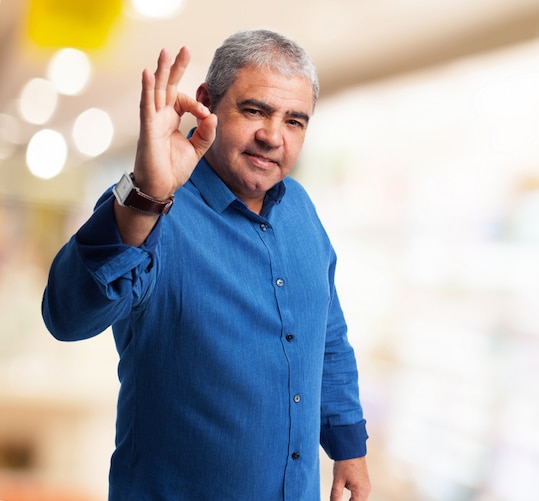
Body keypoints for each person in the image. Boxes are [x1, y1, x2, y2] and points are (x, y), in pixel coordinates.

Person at [42, 29, 370, 500]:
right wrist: (146, 197)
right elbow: (67, 317)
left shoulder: (300, 209)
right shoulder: (151, 208)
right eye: (255, 110)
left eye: (294, 121)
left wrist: (347, 446)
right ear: (205, 103)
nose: (272, 136)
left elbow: (327, 336)